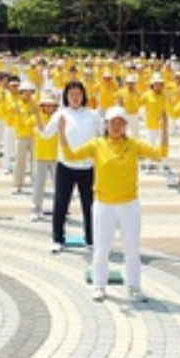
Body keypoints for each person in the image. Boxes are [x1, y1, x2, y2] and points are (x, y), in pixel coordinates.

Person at [59, 106, 168, 302]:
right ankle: (99, 285)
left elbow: (160, 153)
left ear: (126, 125)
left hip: (129, 204)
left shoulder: (133, 145)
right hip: (104, 204)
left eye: (120, 122)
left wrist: (164, 129)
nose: (116, 126)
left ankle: (134, 286)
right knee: (102, 248)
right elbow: (71, 156)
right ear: (106, 125)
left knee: (132, 249)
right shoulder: (97, 144)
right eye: (112, 122)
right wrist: (61, 133)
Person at [42, 81, 102, 254]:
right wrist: (38, 117)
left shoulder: (92, 115)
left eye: (78, 94)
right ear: (66, 97)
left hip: (87, 166)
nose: (75, 98)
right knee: (60, 203)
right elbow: (46, 134)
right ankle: (57, 239)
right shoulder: (60, 115)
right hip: (65, 166)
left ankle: (91, 239)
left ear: (83, 96)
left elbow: (103, 136)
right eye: (71, 95)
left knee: (89, 205)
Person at [31, 90, 59, 222]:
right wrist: (36, 115)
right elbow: (42, 131)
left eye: (51, 105)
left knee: (58, 185)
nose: (48, 108)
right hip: (41, 155)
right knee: (38, 184)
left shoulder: (58, 118)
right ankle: (36, 208)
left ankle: (59, 209)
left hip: (56, 156)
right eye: (46, 105)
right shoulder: (35, 118)